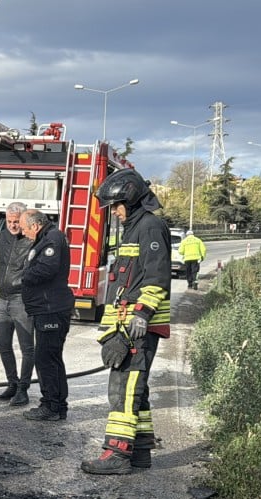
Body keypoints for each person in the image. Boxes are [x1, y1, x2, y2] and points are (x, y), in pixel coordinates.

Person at [81, 168, 171, 475]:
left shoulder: (150, 227)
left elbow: (157, 277)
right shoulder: (133, 229)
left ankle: (116, 455)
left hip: (138, 328)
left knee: (123, 391)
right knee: (137, 390)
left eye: (117, 206)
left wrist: (143, 314)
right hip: (125, 325)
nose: (115, 213)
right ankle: (140, 451)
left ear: (131, 201)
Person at [17, 209, 73, 421]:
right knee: (50, 357)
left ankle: (52, 406)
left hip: (51, 309)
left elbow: (46, 269)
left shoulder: (52, 239)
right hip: (46, 308)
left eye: (24, 228)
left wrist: (23, 277)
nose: (23, 233)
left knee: (46, 358)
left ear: (35, 225)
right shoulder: (46, 237)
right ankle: (56, 405)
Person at [0, 202, 34, 407]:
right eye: (9, 221)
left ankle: (23, 389)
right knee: (2, 344)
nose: (13, 225)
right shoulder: (2, 237)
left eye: (16, 221)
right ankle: (12, 383)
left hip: (21, 300)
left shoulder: (31, 239)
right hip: (1, 298)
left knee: (27, 346)